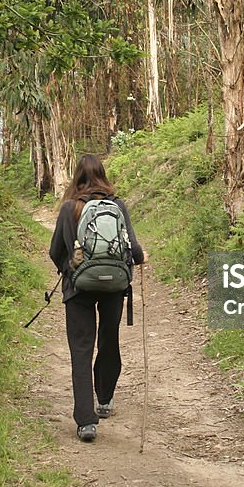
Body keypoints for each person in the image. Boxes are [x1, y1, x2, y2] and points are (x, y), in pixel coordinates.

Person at [49, 154, 146, 443]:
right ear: (102, 175)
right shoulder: (117, 206)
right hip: (114, 285)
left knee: (81, 349)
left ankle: (86, 422)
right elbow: (133, 248)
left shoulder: (69, 208)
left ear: (77, 177)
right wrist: (140, 259)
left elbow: (56, 251)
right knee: (108, 339)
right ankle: (104, 399)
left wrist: (67, 267)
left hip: (78, 287)